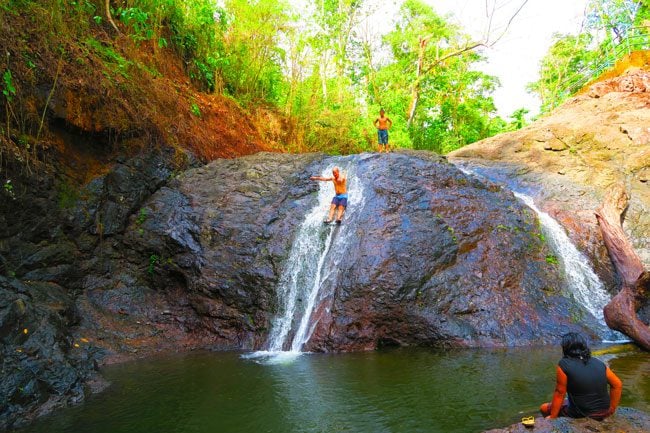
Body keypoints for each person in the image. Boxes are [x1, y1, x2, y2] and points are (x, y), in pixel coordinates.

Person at [539, 332, 622, 420]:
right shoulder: (598, 362)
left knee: (544, 407)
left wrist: (553, 417)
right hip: (604, 412)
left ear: (565, 348)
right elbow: (617, 384)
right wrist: (612, 409)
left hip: (582, 413)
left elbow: (560, 392)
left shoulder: (564, 364)